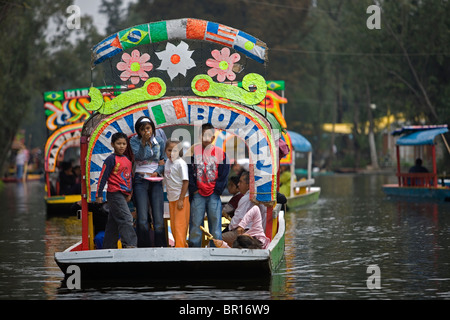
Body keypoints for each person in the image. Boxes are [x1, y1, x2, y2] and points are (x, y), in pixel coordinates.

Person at [188, 123, 230, 247]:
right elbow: (188, 171)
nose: (206, 138)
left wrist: (218, 189)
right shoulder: (193, 152)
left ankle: (215, 251)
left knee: (216, 225)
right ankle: (194, 251)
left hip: (213, 194)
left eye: (209, 135)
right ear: (199, 136)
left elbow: (224, 173)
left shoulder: (220, 153)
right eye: (203, 135)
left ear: (213, 137)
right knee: (195, 225)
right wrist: (193, 189)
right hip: (198, 194)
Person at [95, 132, 137, 249]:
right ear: (112, 144)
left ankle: (108, 247)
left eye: (124, 143)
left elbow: (130, 178)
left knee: (113, 223)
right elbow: (103, 176)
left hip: (124, 194)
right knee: (127, 218)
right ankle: (130, 244)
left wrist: (130, 193)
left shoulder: (127, 160)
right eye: (119, 143)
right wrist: (99, 195)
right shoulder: (110, 159)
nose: (122, 146)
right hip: (114, 193)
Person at [130, 116, 166, 247]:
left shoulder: (160, 141)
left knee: (158, 217)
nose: (146, 131)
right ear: (138, 131)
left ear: (152, 128)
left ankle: (161, 246)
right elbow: (139, 156)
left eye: (148, 128)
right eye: (143, 129)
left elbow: (163, 160)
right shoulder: (134, 141)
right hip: (140, 179)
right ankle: (143, 247)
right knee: (143, 217)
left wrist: (158, 170)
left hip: (155, 179)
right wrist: (143, 143)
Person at [164, 138, 190, 248]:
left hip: (181, 199)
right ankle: (180, 245)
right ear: (165, 151)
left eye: (175, 150)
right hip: (171, 199)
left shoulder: (181, 163)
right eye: (169, 150)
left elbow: (185, 182)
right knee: (174, 226)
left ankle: (180, 248)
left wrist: (181, 199)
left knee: (180, 226)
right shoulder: (167, 163)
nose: (171, 153)